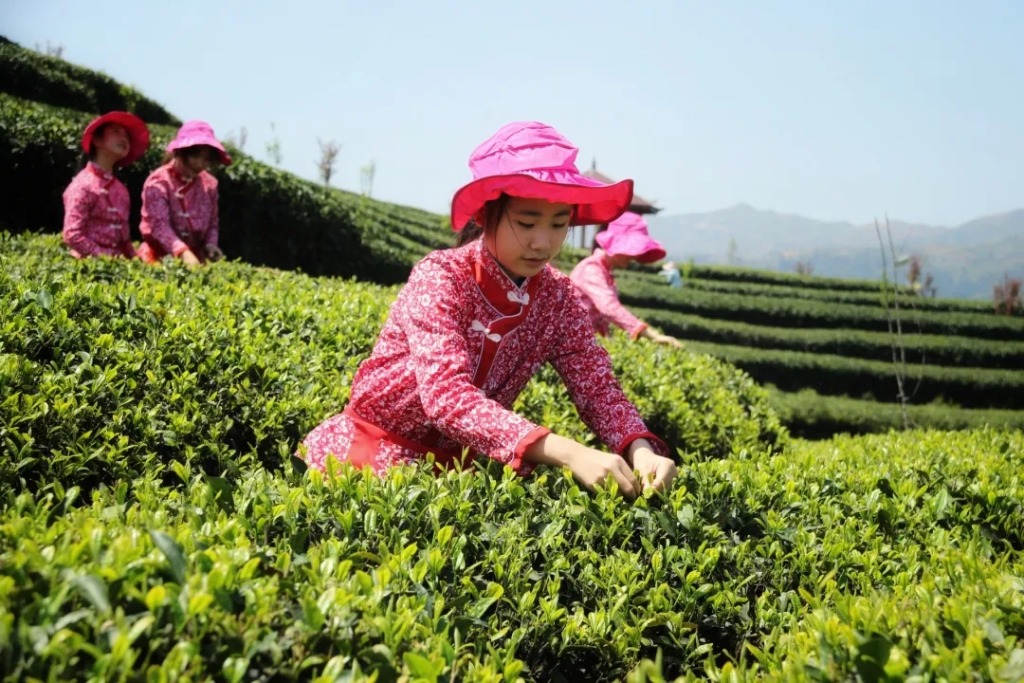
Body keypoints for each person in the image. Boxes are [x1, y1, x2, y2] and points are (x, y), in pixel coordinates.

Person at [298, 121, 677, 498]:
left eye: (559, 224)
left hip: (452, 480)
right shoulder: (441, 276)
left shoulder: (559, 297)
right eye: (526, 222)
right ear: (484, 215)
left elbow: (596, 387)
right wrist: (568, 452)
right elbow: (446, 396)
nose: (543, 243)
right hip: (363, 459)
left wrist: (638, 448)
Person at [570, 212, 684, 348]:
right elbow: (609, 307)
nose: (633, 256)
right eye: (630, 250)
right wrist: (654, 336)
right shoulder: (591, 269)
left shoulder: (605, 272)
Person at [137, 120, 231, 266]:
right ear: (181, 152)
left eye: (206, 159)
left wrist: (210, 244)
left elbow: (212, 223)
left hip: (196, 262)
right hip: (157, 260)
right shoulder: (158, 182)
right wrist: (182, 252)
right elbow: (159, 226)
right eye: (195, 156)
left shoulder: (210, 185)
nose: (200, 164)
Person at [62, 111, 150, 259]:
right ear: (97, 140)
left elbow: (124, 240)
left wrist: (135, 261)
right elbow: (72, 235)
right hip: (88, 266)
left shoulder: (121, 190)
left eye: (127, 136)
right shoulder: (82, 185)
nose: (124, 138)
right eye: (116, 132)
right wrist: (109, 259)